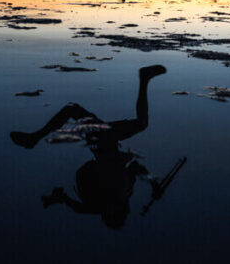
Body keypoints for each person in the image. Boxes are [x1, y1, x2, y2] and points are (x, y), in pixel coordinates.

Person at [10, 65, 172, 229]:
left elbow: (78, 206)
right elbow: (137, 168)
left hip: (101, 143)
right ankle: (144, 79)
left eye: (112, 214)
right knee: (141, 123)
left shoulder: (97, 204)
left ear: (108, 214)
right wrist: (154, 185)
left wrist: (57, 199)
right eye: (119, 213)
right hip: (109, 141)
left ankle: (34, 138)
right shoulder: (125, 192)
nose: (115, 210)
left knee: (72, 109)